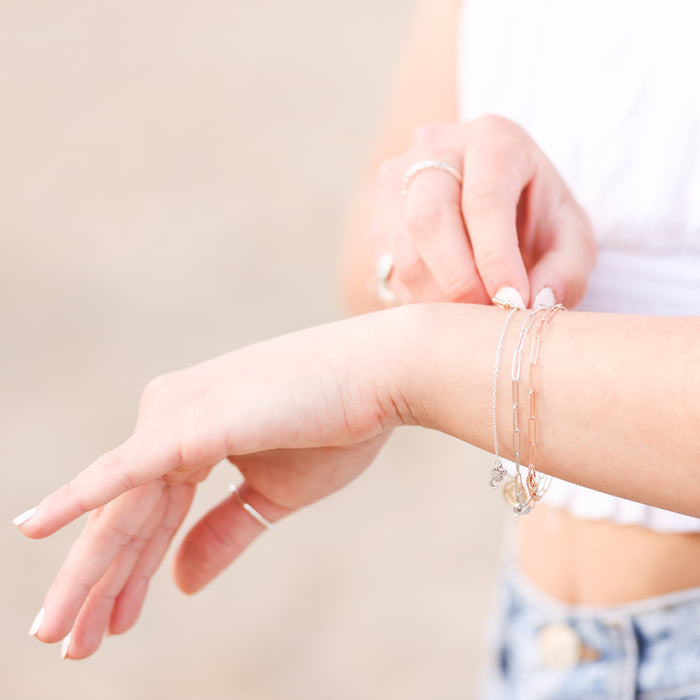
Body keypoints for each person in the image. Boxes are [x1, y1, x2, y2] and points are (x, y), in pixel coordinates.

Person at [13, 2, 700, 698]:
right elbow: (364, 269)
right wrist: (457, 212)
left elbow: (401, 346)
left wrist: (401, 367)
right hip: (534, 633)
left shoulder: (406, 363)